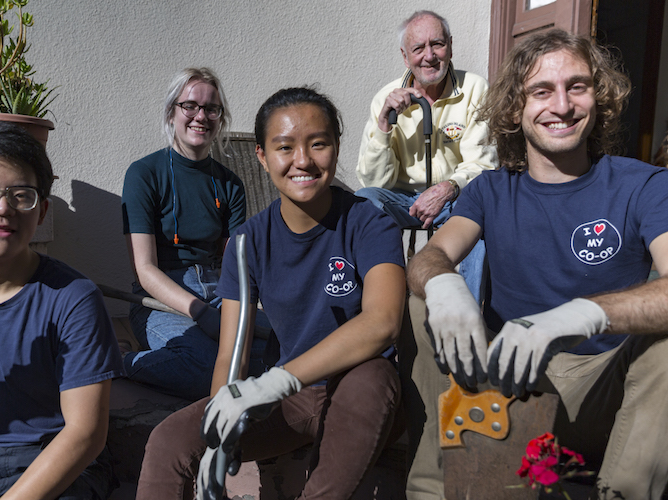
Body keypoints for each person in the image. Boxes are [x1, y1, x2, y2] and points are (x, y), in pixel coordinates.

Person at [406, 29, 668, 499]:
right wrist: (444, 286)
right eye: (541, 91)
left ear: (598, 97)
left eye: (578, 87)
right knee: (422, 305)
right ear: (514, 108)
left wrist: (579, 315)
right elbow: (431, 256)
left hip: (603, 390)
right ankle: (436, 490)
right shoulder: (490, 190)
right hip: (509, 384)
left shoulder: (642, 184)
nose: (562, 106)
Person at [135, 87, 406, 499]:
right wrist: (217, 434)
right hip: (290, 401)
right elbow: (232, 350)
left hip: (361, 400)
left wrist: (276, 381)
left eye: (318, 144)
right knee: (170, 439)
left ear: (335, 147)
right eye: (285, 147)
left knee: (371, 375)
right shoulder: (248, 241)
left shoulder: (368, 224)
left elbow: (382, 323)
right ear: (262, 156)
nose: (303, 161)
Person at [0, 122, 125, 500]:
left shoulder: (73, 299)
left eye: (21, 195)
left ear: (41, 210)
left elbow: (85, 434)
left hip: (55, 462)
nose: (2, 208)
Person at [121, 67, 265, 401]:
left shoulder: (229, 183)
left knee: (275, 354)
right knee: (207, 369)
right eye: (190, 106)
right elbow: (144, 269)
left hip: (217, 290)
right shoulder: (144, 174)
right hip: (159, 299)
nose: (201, 116)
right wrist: (199, 312)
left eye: (211, 109)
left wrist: (230, 309)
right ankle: (123, 360)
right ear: (172, 113)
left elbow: (235, 263)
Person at [355, 10, 497, 302]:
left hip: (458, 197)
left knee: (484, 212)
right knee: (366, 202)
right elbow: (374, 181)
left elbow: (483, 163)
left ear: (451, 45)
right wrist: (384, 126)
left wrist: (448, 188)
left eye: (437, 44)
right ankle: (386, 303)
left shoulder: (474, 88)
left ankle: (465, 319)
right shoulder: (387, 97)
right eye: (418, 48)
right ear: (405, 57)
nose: (429, 56)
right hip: (404, 199)